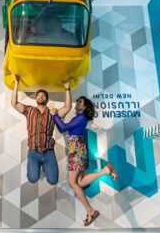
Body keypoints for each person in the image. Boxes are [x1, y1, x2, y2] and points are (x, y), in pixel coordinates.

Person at [52, 96, 118, 227]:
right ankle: (105, 171)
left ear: (85, 106)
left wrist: (54, 115)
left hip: (76, 148)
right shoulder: (79, 118)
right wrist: (56, 118)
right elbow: (62, 128)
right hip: (76, 148)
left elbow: (63, 128)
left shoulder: (81, 118)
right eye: (78, 101)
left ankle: (90, 211)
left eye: (80, 101)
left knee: (73, 182)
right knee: (80, 182)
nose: (77, 103)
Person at [11, 75, 72, 185]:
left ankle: (45, 166)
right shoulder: (29, 110)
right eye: (38, 95)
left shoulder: (52, 112)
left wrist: (67, 88)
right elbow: (14, 103)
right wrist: (16, 83)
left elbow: (67, 107)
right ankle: (38, 167)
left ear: (46, 100)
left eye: (43, 96)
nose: (40, 97)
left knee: (53, 181)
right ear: (36, 99)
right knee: (33, 179)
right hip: (33, 152)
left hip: (49, 152)